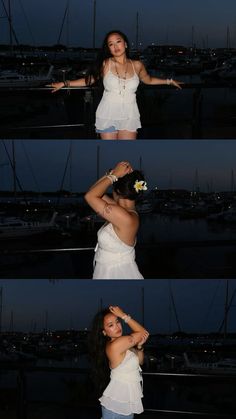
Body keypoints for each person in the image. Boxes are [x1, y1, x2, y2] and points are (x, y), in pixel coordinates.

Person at [49, 30, 182, 140]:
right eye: (111, 44)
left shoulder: (137, 65)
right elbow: (89, 80)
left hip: (130, 114)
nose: (115, 46)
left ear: (125, 44)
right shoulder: (106, 63)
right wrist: (64, 83)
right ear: (108, 48)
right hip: (108, 113)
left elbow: (148, 80)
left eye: (118, 41)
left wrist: (169, 81)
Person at [84, 161, 147, 279]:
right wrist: (111, 174)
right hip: (107, 271)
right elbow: (93, 192)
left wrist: (114, 176)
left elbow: (90, 196)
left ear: (117, 191)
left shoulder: (126, 218)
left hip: (117, 273)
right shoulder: (120, 210)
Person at [89, 305, 149, 418]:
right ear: (104, 332)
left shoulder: (124, 344)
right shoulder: (115, 345)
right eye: (111, 325)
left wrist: (140, 347)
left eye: (118, 321)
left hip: (127, 402)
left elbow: (140, 362)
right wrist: (123, 315)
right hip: (115, 404)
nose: (117, 326)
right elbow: (143, 333)